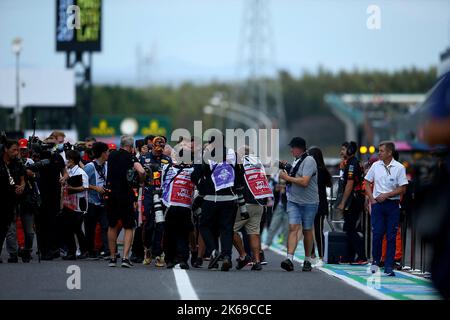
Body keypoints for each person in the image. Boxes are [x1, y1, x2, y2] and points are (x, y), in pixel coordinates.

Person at [191, 131, 244, 271]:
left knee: (204, 226)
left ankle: (214, 251)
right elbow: (240, 174)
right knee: (226, 229)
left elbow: (195, 175)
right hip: (230, 198)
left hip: (211, 198)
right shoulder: (233, 153)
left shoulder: (206, 155)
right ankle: (227, 257)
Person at [365, 141, 408, 276]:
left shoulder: (399, 168)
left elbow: (403, 188)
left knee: (391, 236)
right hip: (378, 205)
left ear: (389, 152)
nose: (379, 153)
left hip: (392, 205)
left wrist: (387, 195)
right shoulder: (375, 166)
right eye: (379, 150)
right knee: (377, 234)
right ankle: (375, 262)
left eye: (381, 151)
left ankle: (389, 265)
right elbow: (366, 182)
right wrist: (372, 199)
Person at [279, 137, 319, 272]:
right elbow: (296, 174)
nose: (291, 150)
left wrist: (286, 178)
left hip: (309, 202)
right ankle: (289, 259)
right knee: (293, 227)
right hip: (294, 201)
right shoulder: (296, 160)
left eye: (293, 148)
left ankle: (307, 259)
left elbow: (305, 182)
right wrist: (286, 168)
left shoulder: (309, 160)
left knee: (307, 230)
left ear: (300, 148)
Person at [105, 135, 145, 268]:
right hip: (125, 195)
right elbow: (142, 170)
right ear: (131, 146)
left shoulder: (111, 156)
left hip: (111, 194)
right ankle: (125, 258)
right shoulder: (130, 157)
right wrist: (141, 179)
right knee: (128, 226)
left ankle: (112, 257)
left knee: (112, 225)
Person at [233, 146, 272, 271]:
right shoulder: (258, 165)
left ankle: (244, 255)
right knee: (254, 233)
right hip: (259, 203)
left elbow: (235, 182)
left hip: (245, 203)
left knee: (229, 230)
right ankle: (257, 261)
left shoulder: (240, 164)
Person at [161, 139, 195, 269]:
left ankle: (171, 259)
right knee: (181, 233)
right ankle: (181, 259)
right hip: (182, 206)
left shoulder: (167, 167)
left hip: (171, 205)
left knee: (171, 232)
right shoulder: (192, 170)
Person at [140, 136, 172, 267]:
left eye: (161, 148)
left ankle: (159, 253)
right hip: (148, 194)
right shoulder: (143, 158)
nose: (159, 150)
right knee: (148, 224)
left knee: (160, 224)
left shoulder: (167, 159)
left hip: (162, 195)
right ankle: (147, 249)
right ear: (152, 146)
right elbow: (137, 177)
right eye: (156, 148)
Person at [35, 139, 68, 260]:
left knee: (52, 221)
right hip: (40, 193)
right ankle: (44, 250)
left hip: (54, 194)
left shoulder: (58, 157)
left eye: (52, 145)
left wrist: (63, 178)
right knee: (41, 223)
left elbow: (65, 173)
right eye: (47, 144)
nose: (49, 147)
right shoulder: (37, 156)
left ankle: (52, 248)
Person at [336, 141, 368, 265]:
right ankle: (349, 256)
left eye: (343, 150)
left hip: (353, 200)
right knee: (348, 228)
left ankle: (362, 256)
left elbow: (349, 184)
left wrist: (343, 203)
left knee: (350, 228)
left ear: (349, 151)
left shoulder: (352, 164)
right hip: (354, 198)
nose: (341, 152)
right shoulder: (350, 163)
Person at [83, 141, 110, 259]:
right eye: (107, 152)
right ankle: (90, 250)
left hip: (104, 201)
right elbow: (82, 183)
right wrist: (95, 188)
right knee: (90, 227)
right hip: (91, 201)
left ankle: (106, 250)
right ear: (102, 153)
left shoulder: (106, 165)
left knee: (105, 226)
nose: (108, 154)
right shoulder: (89, 167)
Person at [0, 139, 25, 263]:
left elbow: (22, 179)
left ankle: (13, 253)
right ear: (6, 149)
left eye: (18, 150)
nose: (16, 153)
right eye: (14, 150)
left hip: (11, 201)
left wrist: (22, 186)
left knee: (8, 227)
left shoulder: (17, 163)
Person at [61, 150, 89, 260]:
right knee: (68, 229)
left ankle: (84, 250)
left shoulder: (81, 173)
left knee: (76, 228)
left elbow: (85, 187)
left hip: (78, 205)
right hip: (67, 204)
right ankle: (71, 252)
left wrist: (72, 188)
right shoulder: (67, 172)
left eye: (67, 158)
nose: (66, 161)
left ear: (72, 160)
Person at [308, 146, 332, 266]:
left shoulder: (316, 170)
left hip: (317, 203)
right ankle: (315, 256)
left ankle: (319, 256)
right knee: (314, 230)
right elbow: (329, 184)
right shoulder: (323, 170)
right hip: (319, 203)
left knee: (314, 230)